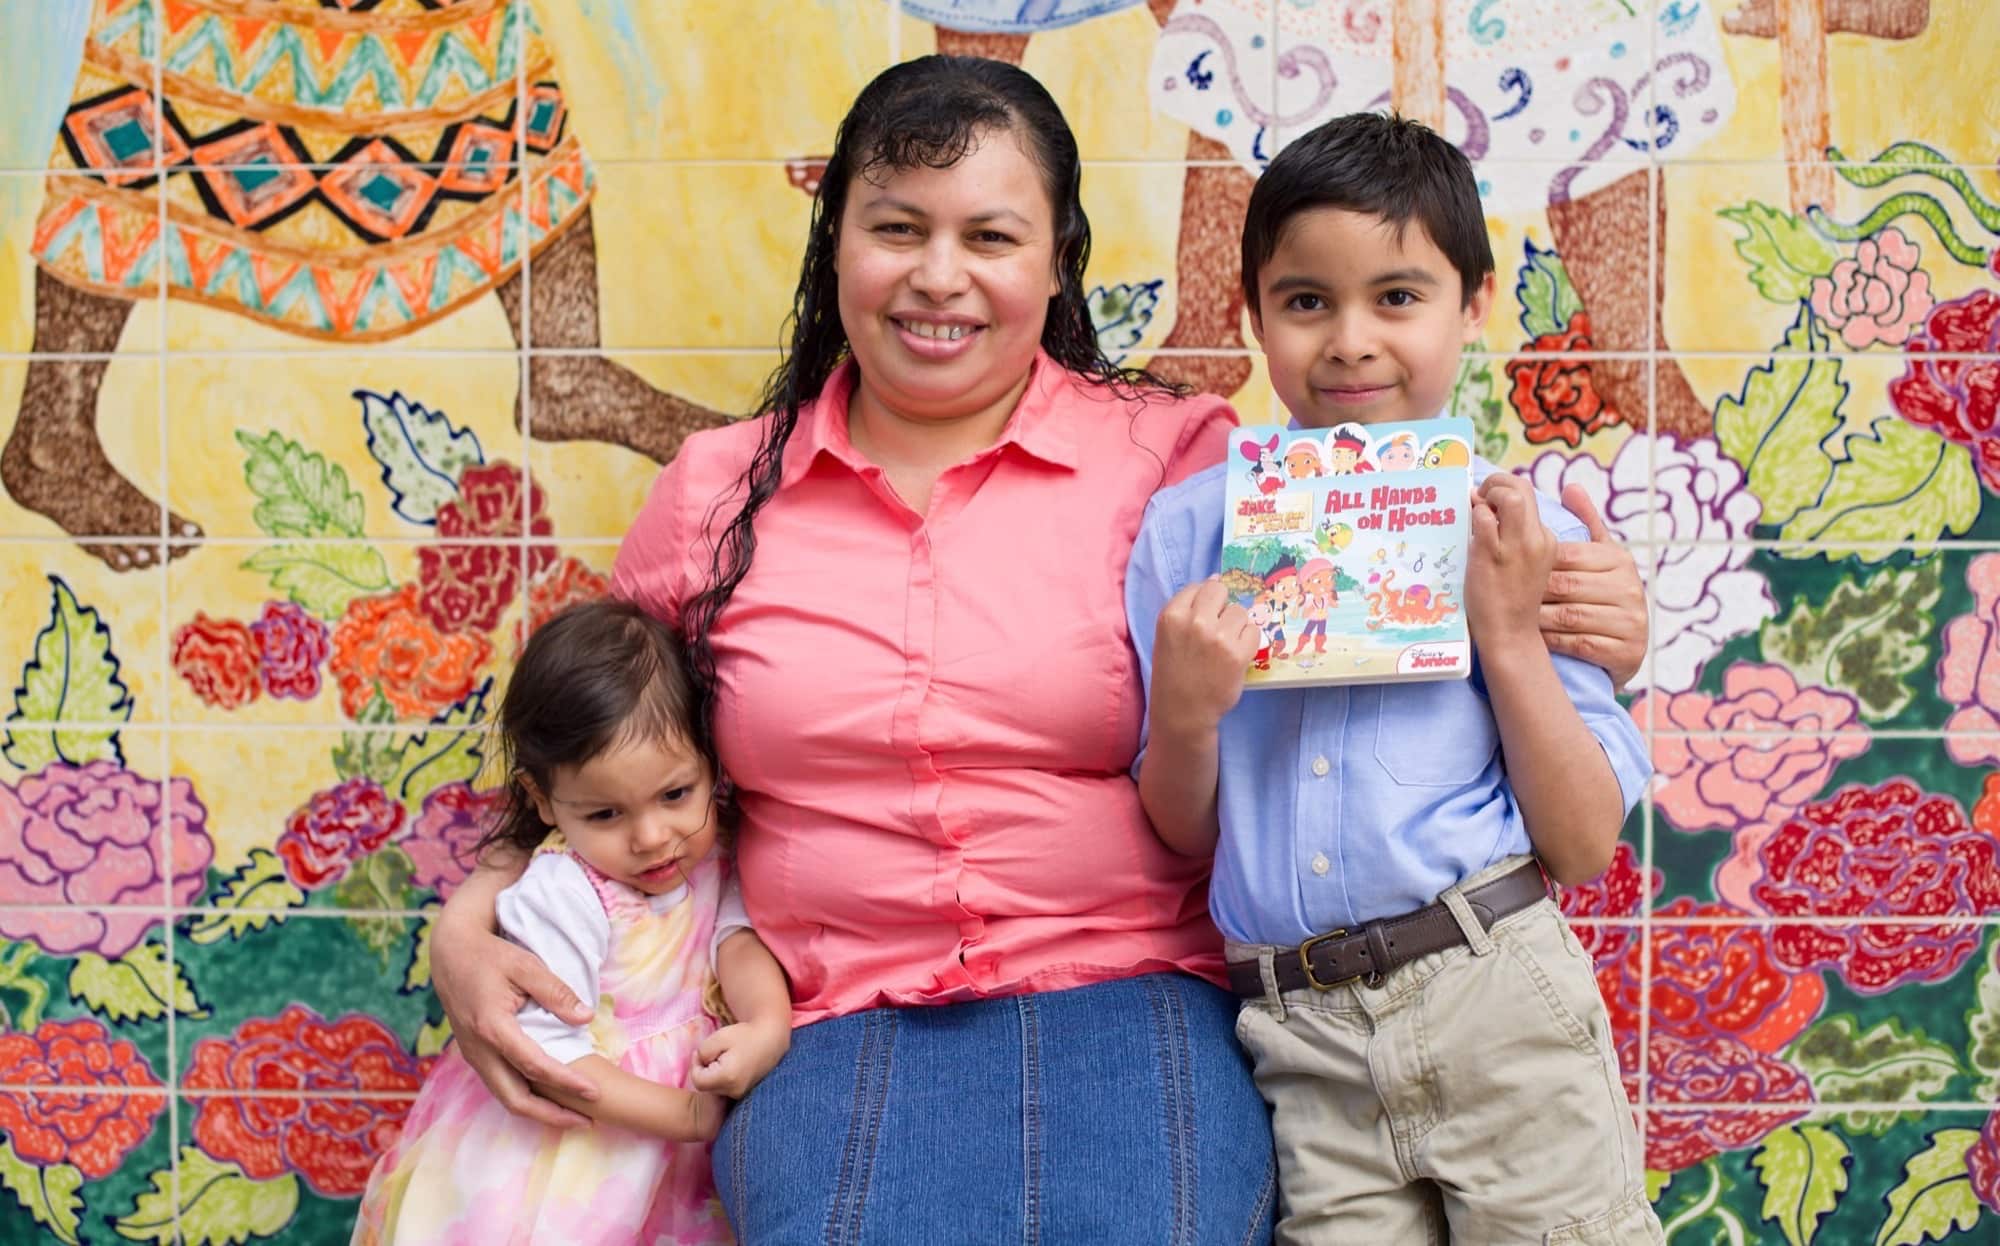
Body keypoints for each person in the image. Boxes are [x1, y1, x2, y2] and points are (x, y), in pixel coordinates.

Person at [430, 59, 1652, 1244]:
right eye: (896, 228)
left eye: (992, 238)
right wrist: (471, 925)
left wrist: (1598, 610)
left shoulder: (1179, 465)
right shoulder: (714, 495)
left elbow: (1418, 553)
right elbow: (602, 749)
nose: (937, 278)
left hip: (1138, 994)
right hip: (833, 1017)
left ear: (1058, 259)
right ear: (835, 245)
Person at [1126, 113, 1664, 1244]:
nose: (1350, 340)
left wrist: (1508, 634)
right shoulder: (1187, 536)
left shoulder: (1513, 527)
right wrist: (1183, 713)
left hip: (1491, 992)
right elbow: (1182, 833)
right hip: (1297, 1032)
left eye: (1398, 297)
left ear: (1472, 306)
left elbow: (1578, 844)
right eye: (1306, 300)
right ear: (1251, 312)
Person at [353, 602, 790, 1245]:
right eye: (606, 814)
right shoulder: (565, 891)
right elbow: (547, 1055)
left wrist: (767, 1025)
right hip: (575, 1153)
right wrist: (687, 1114)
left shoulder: (714, 852)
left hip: (681, 1150)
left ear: (710, 764)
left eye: (675, 795)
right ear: (543, 799)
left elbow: (737, 940)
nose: (652, 838)